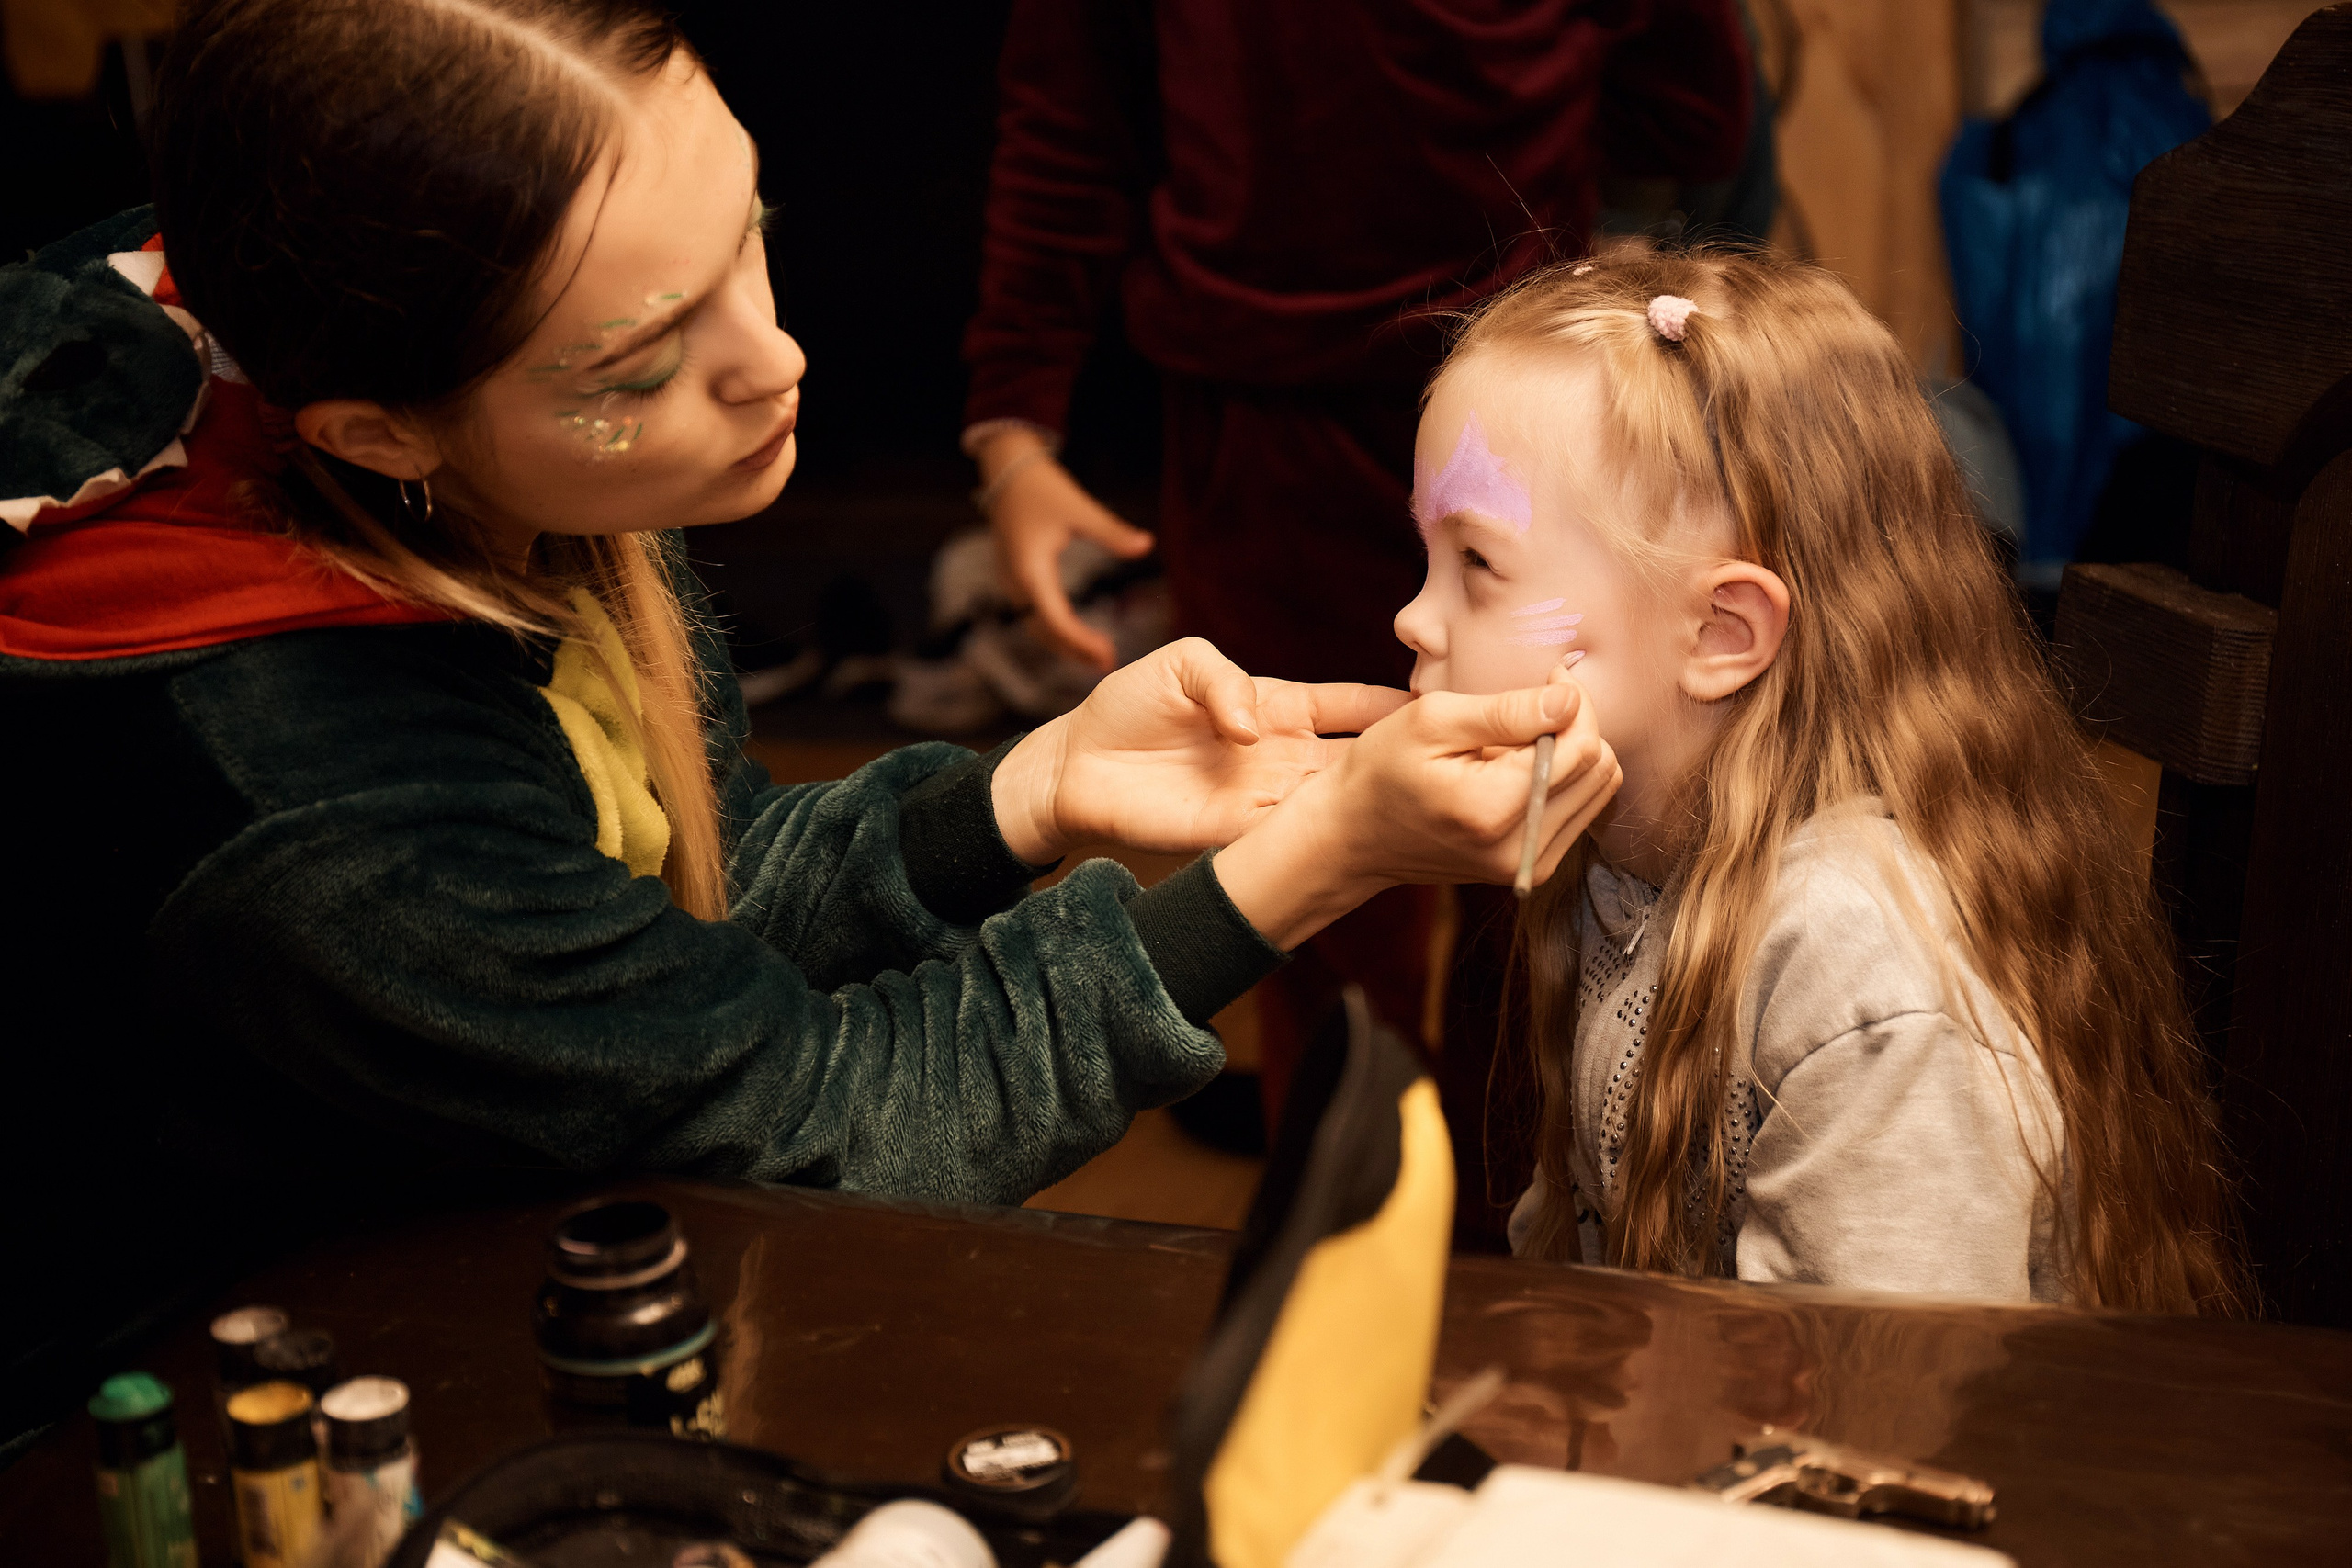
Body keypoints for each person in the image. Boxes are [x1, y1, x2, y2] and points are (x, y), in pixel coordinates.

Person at [0, 0, 1623, 1438]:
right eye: (644, 361)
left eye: (748, 239)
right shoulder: (319, 807)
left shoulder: (462, 382)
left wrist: (1025, 795)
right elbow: (818, 1122)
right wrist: (1313, 863)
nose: (773, 358)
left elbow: (679, 936)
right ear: (381, 429)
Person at [959, 0, 1757, 1207]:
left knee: (1545, 889)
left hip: (1524, 414)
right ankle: (1351, 1247)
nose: (1415, 623)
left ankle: (1515, 1260)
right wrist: (1013, 422)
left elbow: (1694, 107)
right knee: (1319, 869)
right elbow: (1070, 113)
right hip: (1262, 434)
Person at [1392, 243, 2245, 1309]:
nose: (1412, 620)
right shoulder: (1620, 854)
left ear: (1719, 632)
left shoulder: (1856, 962)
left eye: (1476, 566)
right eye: (1426, 558)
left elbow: (1876, 1420)